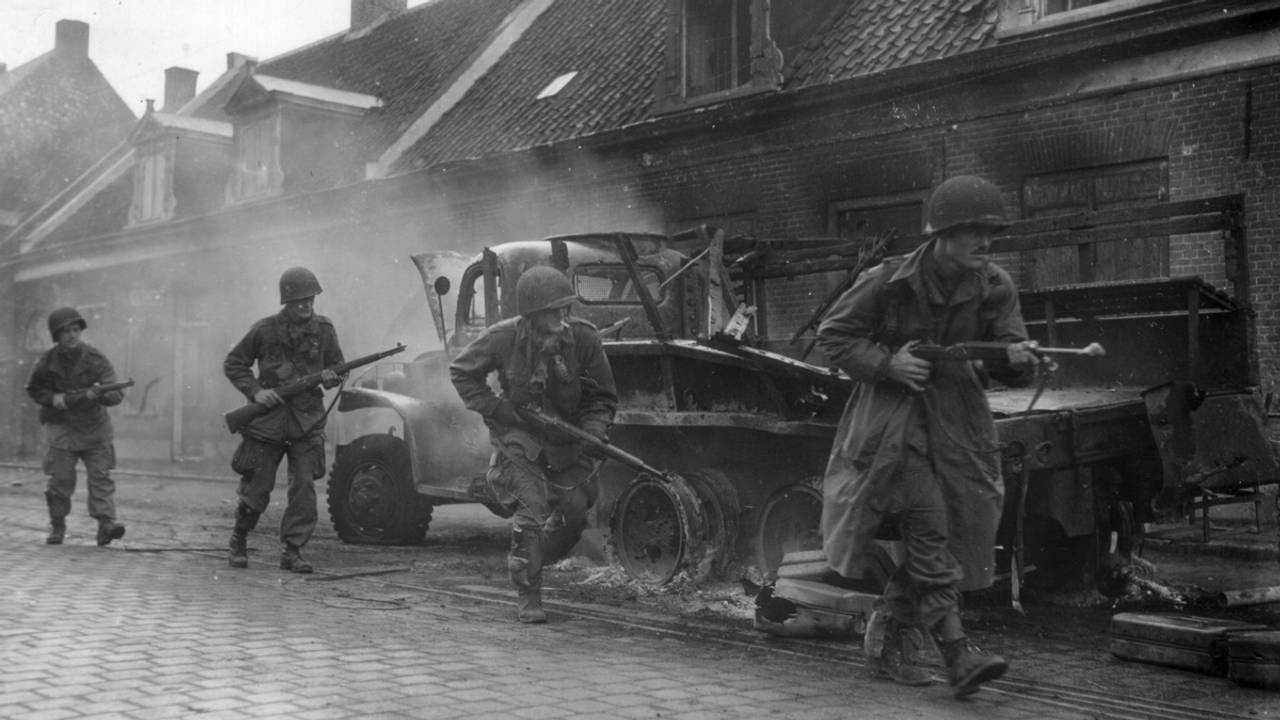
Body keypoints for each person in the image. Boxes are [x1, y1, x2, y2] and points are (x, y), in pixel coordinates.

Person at [817, 175, 1046, 697]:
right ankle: (957, 653)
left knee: (962, 529)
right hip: (895, 424)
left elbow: (1008, 354)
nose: (985, 243)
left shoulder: (995, 286)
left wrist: (1016, 360)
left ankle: (889, 631)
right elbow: (834, 335)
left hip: (960, 423)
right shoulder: (888, 281)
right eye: (973, 231)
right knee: (931, 528)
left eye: (991, 233)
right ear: (941, 234)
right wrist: (887, 363)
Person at [450, 265, 618, 624]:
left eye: (565, 308)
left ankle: (532, 556)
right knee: (532, 508)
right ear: (532, 314)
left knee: (575, 511)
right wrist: (499, 409)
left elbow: (602, 397)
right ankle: (529, 593)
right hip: (520, 436)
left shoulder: (584, 339)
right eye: (554, 310)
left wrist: (594, 431)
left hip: (567, 440)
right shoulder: (503, 338)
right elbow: (461, 372)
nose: (563, 316)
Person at [224, 267, 344, 573]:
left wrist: (332, 377)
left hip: (306, 421)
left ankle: (292, 551)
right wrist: (255, 392)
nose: (307, 304)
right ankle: (239, 538)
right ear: (287, 301)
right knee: (256, 488)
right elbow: (234, 363)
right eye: (300, 300)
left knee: (304, 489)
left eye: (311, 298)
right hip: (268, 421)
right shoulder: (264, 330)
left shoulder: (324, 330)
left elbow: (337, 365)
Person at [26, 307, 128, 546]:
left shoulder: (95, 358)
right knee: (60, 482)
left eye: (75, 330)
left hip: (94, 429)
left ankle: (106, 524)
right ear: (56, 335)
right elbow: (34, 389)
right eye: (66, 331)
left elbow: (116, 393)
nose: (72, 335)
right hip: (62, 429)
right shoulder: (47, 361)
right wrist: (54, 399)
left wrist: (99, 395)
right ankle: (57, 524)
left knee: (101, 479)